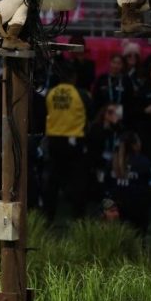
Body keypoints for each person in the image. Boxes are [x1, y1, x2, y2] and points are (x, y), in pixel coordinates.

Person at [44, 63, 90, 219]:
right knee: (78, 182)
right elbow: (90, 114)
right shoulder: (81, 94)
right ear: (74, 77)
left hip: (54, 142)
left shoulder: (50, 93)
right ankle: (78, 218)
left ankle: (48, 217)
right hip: (74, 142)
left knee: (52, 183)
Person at [109, 131, 151, 235]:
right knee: (139, 237)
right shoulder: (144, 162)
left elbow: (105, 184)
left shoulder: (112, 162)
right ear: (134, 145)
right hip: (138, 209)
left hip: (117, 208)